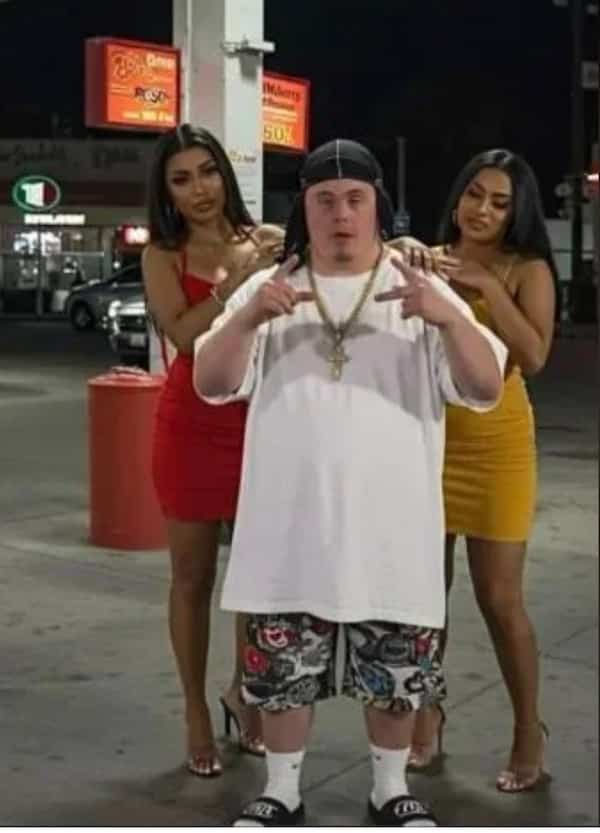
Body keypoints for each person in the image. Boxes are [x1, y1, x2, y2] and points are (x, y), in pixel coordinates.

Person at [193, 139, 507, 826]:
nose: (341, 213)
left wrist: (451, 316)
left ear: (377, 206)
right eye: (324, 199)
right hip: (290, 518)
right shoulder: (270, 287)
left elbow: (485, 388)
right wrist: (247, 317)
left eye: (355, 199)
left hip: (392, 519)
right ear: (304, 208)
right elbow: (210, 384)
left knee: (395, 664)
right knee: (281, 667)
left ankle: (389, 786)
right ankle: (282, 788)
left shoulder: (419, 288)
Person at [403, 149, 557, 793]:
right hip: (426, 440)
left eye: (500, 201)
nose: (484, 210)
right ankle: (426, 713)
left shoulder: (529, 270)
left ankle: (528, 731)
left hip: (496, 447)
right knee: (422, 601)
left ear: (518, 210)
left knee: (499, 600)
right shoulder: (428, 257)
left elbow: (536, 354)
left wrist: (488, 285)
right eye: (475, 194)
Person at [143, 124, 284, 777]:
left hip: (262, 424)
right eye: (182, 179)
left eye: (207, 172)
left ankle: (244, 691)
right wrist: (235, 283)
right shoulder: (163, 255)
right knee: (193, 577)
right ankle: (197, 710)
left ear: (225, 174)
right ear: (166, 193)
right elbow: (185, 336)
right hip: (191, 427)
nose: (199, 189)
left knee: (255, 582)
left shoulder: (270, 240)